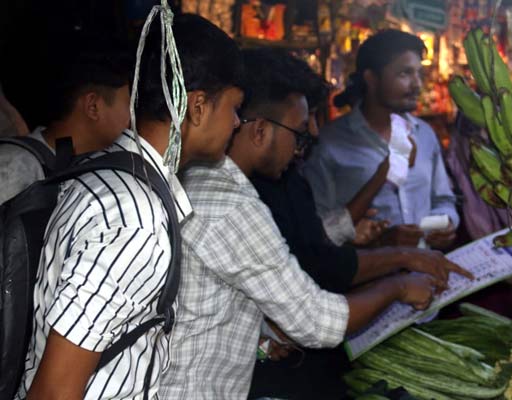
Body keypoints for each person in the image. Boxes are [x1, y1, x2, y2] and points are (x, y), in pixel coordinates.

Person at [160, 47, 448, 399]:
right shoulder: (231, 204)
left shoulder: (206, 182)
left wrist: (261, 338)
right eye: (299, 130)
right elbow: (319, 322)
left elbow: (204, 313)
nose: (305, 141)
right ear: (261, 130)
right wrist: (399, 287)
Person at [17, 14, 244, 399]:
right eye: (235, 107)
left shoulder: (106, 172)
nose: (238, 122)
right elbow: (55, 390)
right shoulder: (135, 219)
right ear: (199, 106)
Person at [243, 48, 472, 399]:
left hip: (317, 346)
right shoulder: (236, 200)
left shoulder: (287, 177)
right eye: (302, 130)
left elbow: (315, 245)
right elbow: (318, 282)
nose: (312, 138)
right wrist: (397, 270)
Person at [303, 29, 459, 250]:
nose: (416, 85)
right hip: (367, 280)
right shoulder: (330, 144)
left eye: (418, 74)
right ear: (371, 78)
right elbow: (317, 232)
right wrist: (378, 241)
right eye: (404, 74)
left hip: (425, 276)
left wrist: (447, 223)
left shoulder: (424, 135)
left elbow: (444, 200)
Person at [0, 34, 130, 204]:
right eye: (129, 104)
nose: (133, 116)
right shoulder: (14, 167)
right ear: (93, 106)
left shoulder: (90, 166)